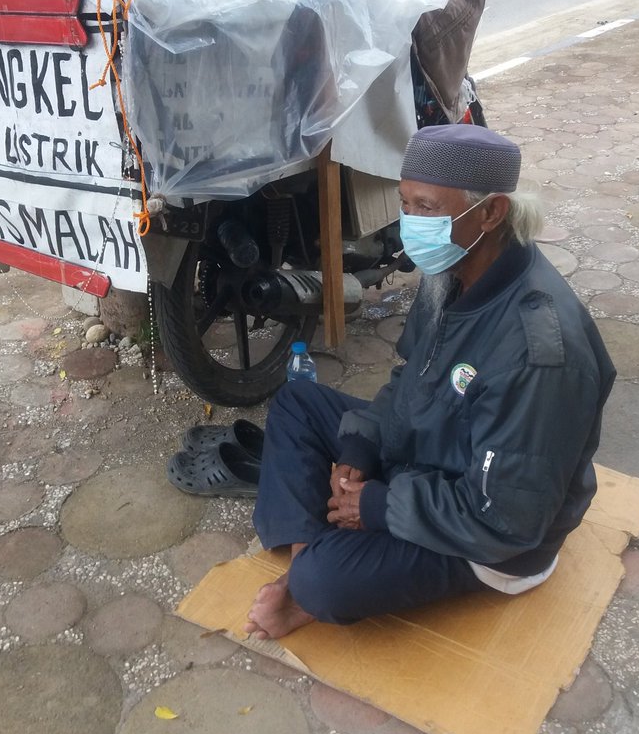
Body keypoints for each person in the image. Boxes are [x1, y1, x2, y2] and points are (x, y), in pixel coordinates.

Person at [245, 124, 616, 640]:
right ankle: (303, 569)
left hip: (493, 538)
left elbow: (506, 519)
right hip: (433, 450)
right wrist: (361, 446)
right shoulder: (454, 268)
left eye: (426, 207)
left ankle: (307, 580)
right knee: (296, 401)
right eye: (405, 203)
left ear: (491, 212)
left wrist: (377, 506)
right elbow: (410, 377)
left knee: (324, 581)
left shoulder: (539, 354)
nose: (410, 222)